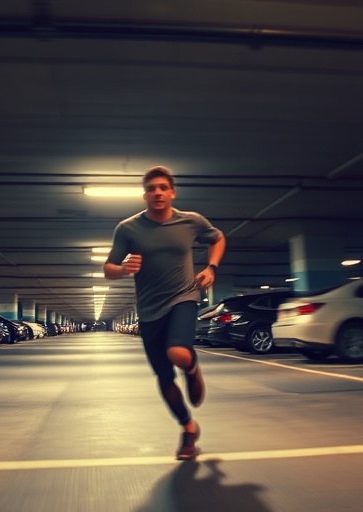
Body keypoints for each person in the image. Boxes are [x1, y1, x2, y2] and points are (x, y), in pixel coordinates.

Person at [104, 165, 226, 460]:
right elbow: (108, 268)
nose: (156, 192)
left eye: (162, 187)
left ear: (172, 192)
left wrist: (211, 267)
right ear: (144, 195)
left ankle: (193, 369)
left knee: (178, 352)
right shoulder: (128, 228)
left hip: (184, 297)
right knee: (163, 377)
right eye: (150, 188)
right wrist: (123, 269)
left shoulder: (191, 221)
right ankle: (188, 429)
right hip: (148, 310)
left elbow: (218, 238)